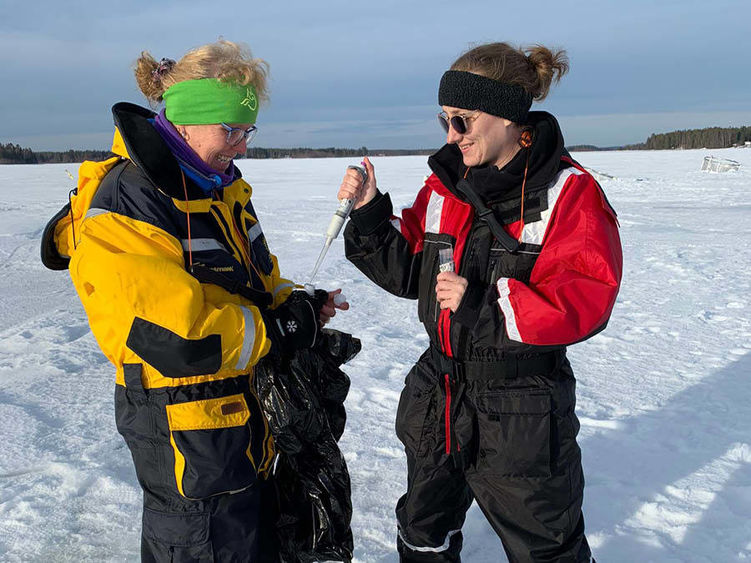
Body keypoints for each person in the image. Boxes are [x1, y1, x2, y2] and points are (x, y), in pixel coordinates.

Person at [41, 40, 347, 561]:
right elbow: (174, 336)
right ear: (186, 121)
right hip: (185, 428)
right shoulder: (126, 202)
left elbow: (255, 280)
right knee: (203, 546)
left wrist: (298, 303)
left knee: (253, 541)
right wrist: (278, 330)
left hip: (239, 414)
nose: (242, 146)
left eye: (247, 131)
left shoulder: (221, 190)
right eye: (230, 130)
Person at [338, 42, 622, 562]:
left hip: (522, 408)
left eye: (463, 120)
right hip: (439, 392)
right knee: (423, 531)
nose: (452, 135)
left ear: (510, 117)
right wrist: (370, 216)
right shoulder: (446, 187)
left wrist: (485, 307)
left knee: (545, 548)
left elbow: (586, 296)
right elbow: (410, 273)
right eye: (445, 120)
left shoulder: (569, 193)